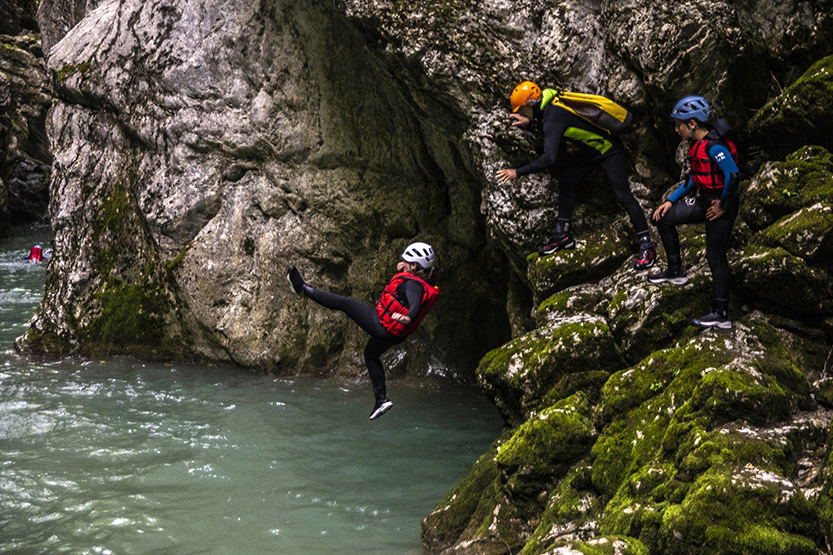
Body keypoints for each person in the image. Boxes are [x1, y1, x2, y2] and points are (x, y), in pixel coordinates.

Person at [495, 81, 656, 269]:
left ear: (529, 104)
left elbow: (549, 159)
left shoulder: (552, 118)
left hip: (610, 151)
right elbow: (558, 124)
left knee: (622, 195)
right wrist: (530, 123)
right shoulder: (553, 102)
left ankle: (647, 245)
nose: (520, 113)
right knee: (567, 180)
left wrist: (517, 172)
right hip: (591, 152)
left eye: (521, 110)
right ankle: (562, 234)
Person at [287, 242, 440, 420]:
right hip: (396, 335)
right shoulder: (424, 281)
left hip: (382, 326)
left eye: (405, 261)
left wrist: (409, 317)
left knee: (346, 304)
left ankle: (302, 288)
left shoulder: (414, 285)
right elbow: (409, 291)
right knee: (370, 355)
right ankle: (381, 400)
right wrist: (404, 271)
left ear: (414, 266)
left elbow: (414, 302)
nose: (402, 263)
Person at [648, 95, 740, 329]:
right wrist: (670, 201)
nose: (676, 129)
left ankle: (721, 314)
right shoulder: (695, 145)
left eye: (678, 124)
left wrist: (723, 206)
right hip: (705, 200)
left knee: (715, 257)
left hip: (721, 206)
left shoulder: (714, 146)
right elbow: (695, 178)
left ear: (691, 124)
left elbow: (732, 174)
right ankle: (675, 270)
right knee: (664, 217)